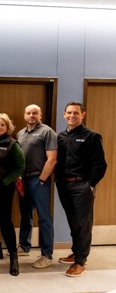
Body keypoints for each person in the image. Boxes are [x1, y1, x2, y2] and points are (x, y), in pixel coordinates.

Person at [55, 102, 107, 277]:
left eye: (75, 113)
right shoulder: (60, 137)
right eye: (69, 112)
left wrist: (90, 184)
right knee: (73, 222)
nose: (72, 116)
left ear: (82, 115)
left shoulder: (91, 136)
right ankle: (76, 252)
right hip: (63, 185)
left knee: (83, 224)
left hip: (81, 185)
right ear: (64, 114)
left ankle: (80, 262)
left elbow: (100, 164)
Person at [16, 104, 57, 269]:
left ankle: (47, 255)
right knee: (25, 215)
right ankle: (25, 246)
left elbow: (52, 159)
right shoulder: (20, 133)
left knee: (44, 217)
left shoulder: (47, 132)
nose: (31, 115)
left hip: (38, 179)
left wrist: (41, 179)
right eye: (28, 113)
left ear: (40, 115)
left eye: (35, 113)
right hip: (23, 179)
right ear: (24, 115)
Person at [0, 113, 25, 276]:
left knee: (5, 222)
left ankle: (14, 258)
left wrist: (6, 181)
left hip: (3, 189)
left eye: (2, 125)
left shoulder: (12, 144)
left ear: (7, 127)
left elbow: (20, 166)